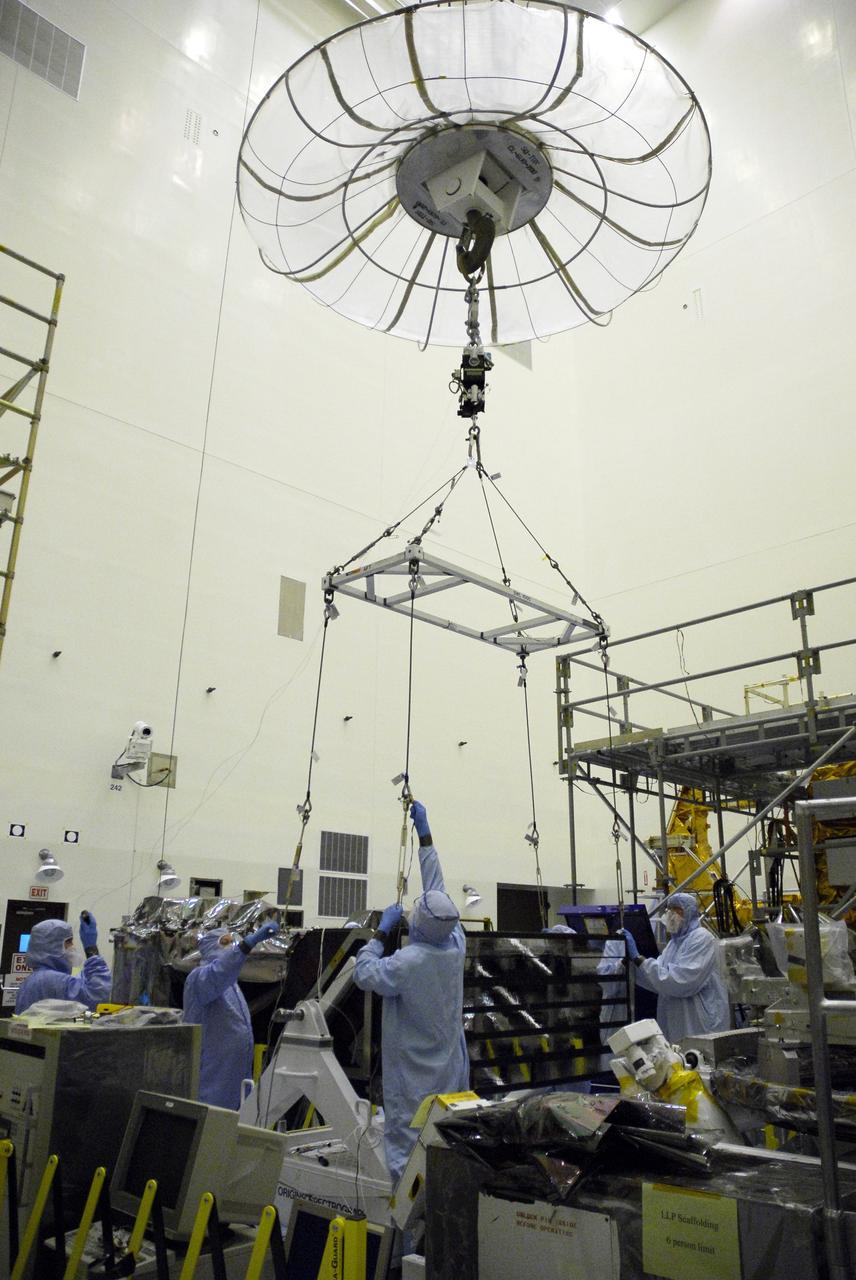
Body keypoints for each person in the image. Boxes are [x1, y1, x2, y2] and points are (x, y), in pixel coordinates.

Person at [354, 799, 469, 1182]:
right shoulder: (454, 945)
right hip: (450, 1073)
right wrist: (425, 834)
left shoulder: (409, 962)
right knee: (441, 1148)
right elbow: (438, 890)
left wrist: (381, 933)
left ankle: (407, 1239)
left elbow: (365, 974)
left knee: (406, 1161)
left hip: (413, 1079)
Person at [182, 920, 279, 1110]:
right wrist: (248, 944)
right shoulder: (199, 979)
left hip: (235, 1082)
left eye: (232, 942)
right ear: (211, 946)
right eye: (225, 942)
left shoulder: (230, 984)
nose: (232, 947)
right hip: (212, 1082)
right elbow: (220, 972)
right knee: (210, 1128)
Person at [621, 892, 729, 1044]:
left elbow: (681, 981)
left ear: (689, 912)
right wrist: (631, 964)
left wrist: (639, 959)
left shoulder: (702, 938)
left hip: (699, 1023)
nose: (670, 914)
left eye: (676, 910)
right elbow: (658, 980)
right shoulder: (673, 944)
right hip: (676, 1022)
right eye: (668, 910)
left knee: (699, 1063)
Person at [15, 912, 112, 1014]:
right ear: (53, 946)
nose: (72, 946)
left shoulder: (34, 980)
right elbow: (98, 997)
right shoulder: (51, 979)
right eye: (69, 941)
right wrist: (91, 950)